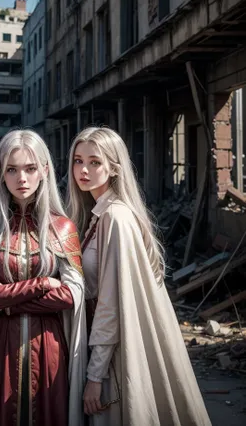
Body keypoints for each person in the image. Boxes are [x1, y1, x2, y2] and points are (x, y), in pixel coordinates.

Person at [66, 127, 211, 426]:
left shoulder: (115, 218)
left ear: (114, 168)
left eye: (95, 162)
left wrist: (95, 375)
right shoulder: (99, 213)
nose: (83, 169)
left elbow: (110, 306)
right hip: (106, 348)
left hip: (115, 357)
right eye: (78, 160)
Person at [0, 130, 87, 426]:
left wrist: (7, 301)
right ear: (1, 173)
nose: (21, 178)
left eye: (30, 168)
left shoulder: (63, 228)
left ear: (44, 172)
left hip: (49, 349)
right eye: (12, 169)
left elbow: (71, 296)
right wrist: (40, 284)